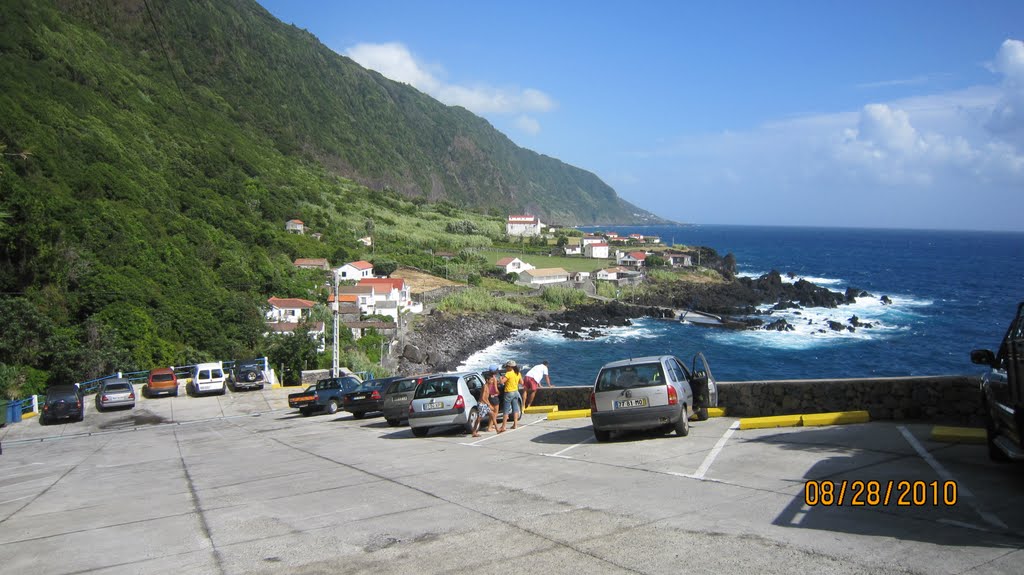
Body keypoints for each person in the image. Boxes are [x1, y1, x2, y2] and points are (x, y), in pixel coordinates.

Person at [472, 366, 500, 437]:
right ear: (487, 380)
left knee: (493, 414)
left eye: (492, 380)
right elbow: (483, 398)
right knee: (479, 419)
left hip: (485, 404)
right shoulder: (485, 386)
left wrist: (488, 404)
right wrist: (489, 405)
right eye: (491, 380)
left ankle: (497, 429)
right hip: (481, 404)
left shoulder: (487, 386)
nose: (492, 381)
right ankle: (474, 432)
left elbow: (486, 398)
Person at [497, 360, 522, 432]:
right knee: (515, 408)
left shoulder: (508, 373)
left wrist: (500, 378)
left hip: (509, 392)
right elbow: (521, 382)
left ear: (510, 367)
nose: (506, 368)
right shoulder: (517, 373)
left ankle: (503, 426)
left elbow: (502, 382)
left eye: (507, 366)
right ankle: (515, 424)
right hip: (516, 392)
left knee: (506, 409)